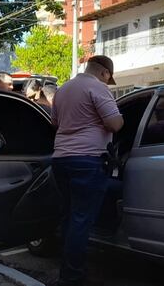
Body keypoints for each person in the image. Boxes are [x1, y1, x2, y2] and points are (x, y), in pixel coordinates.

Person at [50, 55, 123, 286]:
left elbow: (55, 123)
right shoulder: (98, 88)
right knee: (81, 221)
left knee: (70, 217)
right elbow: (115, 124)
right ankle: (72, 277)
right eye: (108, 78)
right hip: (88, 161)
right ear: (104, 73)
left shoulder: (63, 90)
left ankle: (66, 271)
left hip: (61, 160)